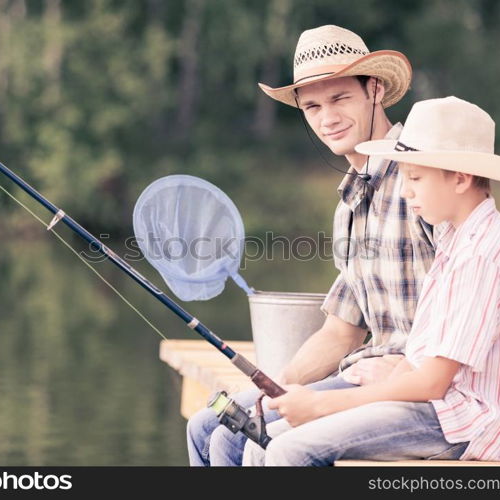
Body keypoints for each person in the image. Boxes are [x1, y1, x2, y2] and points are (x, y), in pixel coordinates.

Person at [243, 96, 500, 465]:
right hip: (437, 406)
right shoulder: (454, 238)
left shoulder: (482, 256)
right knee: (263, 442)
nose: (405, 191)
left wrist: (322, 403)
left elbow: (432, 382)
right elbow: (421, 357)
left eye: (415, 178)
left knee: (289, 449)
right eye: (402, 177)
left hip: (467, 423)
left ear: (461, 179)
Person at [187, 25, 438, 466]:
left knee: (238, 441)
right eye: (313, 106)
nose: (327, 119)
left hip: (417, 386)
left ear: (374, 90)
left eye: (340, 99)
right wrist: (277, 387)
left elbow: (471, 301)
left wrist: (405, 369)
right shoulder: (350, 202)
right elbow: (342, 331)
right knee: (207, 424)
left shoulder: (419, 179)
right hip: (363, 372)